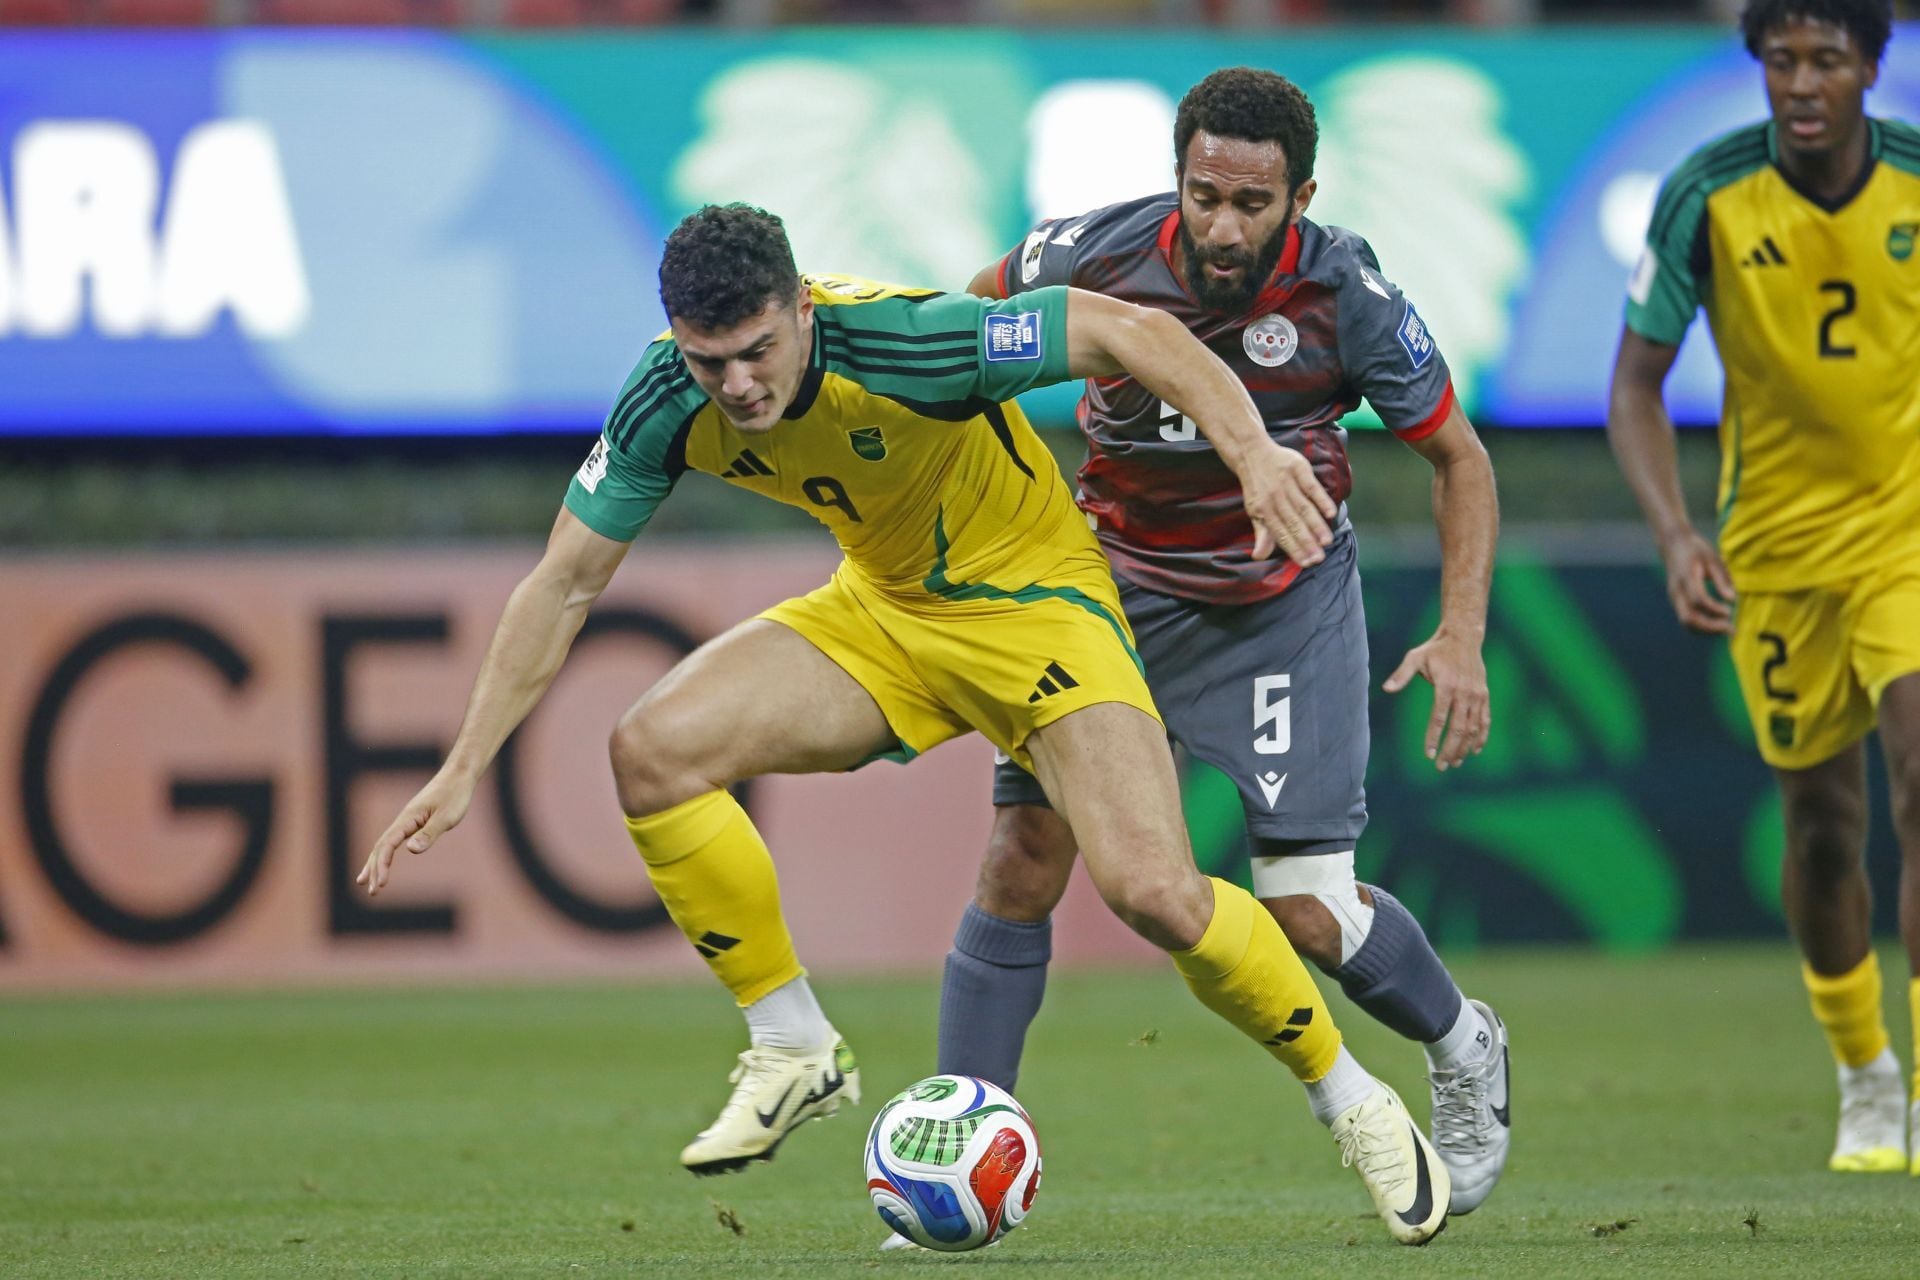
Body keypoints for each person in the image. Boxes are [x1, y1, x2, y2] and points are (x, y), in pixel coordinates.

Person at [358, 203, 1452, 1243]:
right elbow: (562, 584)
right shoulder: (663, 398)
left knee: (1153, 891)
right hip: (885, 612)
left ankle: (1347, 1095)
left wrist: (1257, 453)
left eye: (755, 350)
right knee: (653, 749)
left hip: (1036, 608)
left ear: (800, 311)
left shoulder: (909, 343)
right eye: (708, 360)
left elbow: (1130, 327)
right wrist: (464, 765)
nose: (736, 384)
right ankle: (791, 1044)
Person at [921, 66, 1510, 1218]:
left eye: (1254, 203)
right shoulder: (1088, 256)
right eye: (1204, 196)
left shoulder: (1350, 297)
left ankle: (1464, 1042)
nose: (1224, 225)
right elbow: (958, 329)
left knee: (1304, 911)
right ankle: (962, 1150)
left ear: (1303, 194)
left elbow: (1461, 460)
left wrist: (1463, 632)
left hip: (1278, 609)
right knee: (1021, 855)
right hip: (1112, 598)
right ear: (1177, 179)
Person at [1608, 1, 1920, 1174]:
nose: (1801, 83)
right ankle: (1866, 1075)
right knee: (1826, 827)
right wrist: (1680, 533)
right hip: (1777, 556)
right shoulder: (1708, 194)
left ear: (1872, 69)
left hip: (1906, 533)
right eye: (1780, 60)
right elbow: (1636, 386)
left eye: (1826, 60)